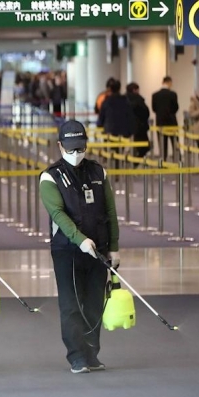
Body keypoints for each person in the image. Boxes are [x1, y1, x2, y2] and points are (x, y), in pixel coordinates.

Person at [39, 120, 120, 374]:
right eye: (71, 149)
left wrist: (113, 247)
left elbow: (110, 211)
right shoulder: (50, 176)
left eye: (80, 148)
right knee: (71, 303)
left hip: (98, 248)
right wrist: (79, 239)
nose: (76, 154)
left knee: (95, 300)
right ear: (60, 146)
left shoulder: (98, 172)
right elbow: (58, 213)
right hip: (67, 250)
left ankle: (91, 352)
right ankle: (76, 355)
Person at [152, 76, 179, 162]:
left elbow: (154, 108)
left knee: (162, 143)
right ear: (169, 82)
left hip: (160, 122)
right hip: (171, 122)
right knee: (174, 142)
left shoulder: (155, 95)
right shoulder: (173, 94)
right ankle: (177, 160)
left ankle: (163, 160)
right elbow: (176, 108)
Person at [126, 82, 151, 160]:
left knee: (137, 145)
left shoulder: (124, 100)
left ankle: (134, 161)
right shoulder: (138, 100)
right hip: (140, 127)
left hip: (128, 127)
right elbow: (145, 112)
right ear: (134, 90)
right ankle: (136, 161)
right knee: (145, 146)